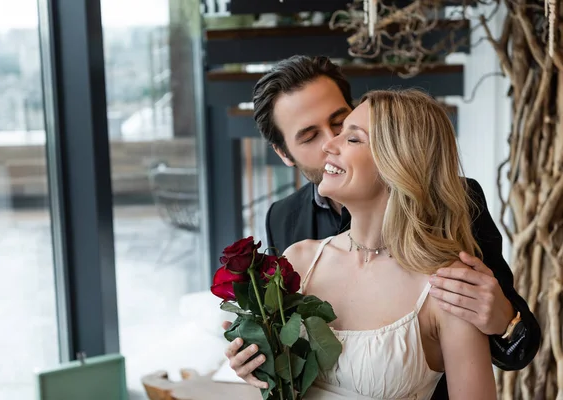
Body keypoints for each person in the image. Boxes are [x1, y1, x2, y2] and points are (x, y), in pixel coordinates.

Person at [223, 56, 540, 399]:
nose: (331, 142)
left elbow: (510, 340)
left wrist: (504, 321)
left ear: (396, 153)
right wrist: (258, 359)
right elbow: (289, 361)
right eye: (310, 136)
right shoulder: (288, 232)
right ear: (285, 154)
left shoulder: (457, 209)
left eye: (343, 126)